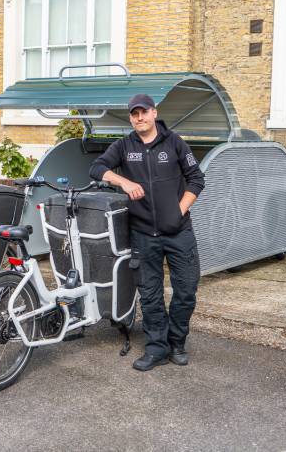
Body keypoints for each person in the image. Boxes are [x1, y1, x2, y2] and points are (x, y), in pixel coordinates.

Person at [89, 93, 205, 371]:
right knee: (150, 295)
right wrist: (123, 182)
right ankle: (157, 348)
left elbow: (197, 179)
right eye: (134, 113)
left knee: (186, 291)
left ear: (154, 113)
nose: (139, 117)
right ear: (131, 118)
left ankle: (176, 343)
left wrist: (179, 211)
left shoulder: (174, 143)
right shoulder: (124, 146)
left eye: (144, 112)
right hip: (142, 234)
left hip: (179, 233)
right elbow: (97, 168)